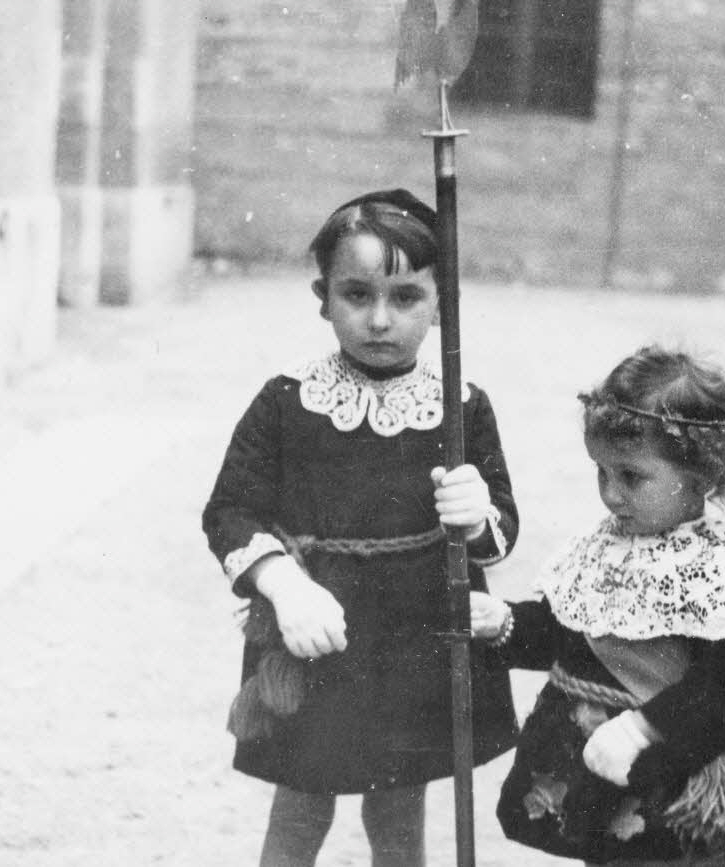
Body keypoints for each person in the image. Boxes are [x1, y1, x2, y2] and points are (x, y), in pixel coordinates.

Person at [202, 189, 520, 867]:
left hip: (417, 635)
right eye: (356, 294)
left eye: (406, 297)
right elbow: (230, 510)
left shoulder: (461, 407)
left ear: (443, 305)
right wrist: (285, 587)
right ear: (323, 297)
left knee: (400, 806)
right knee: (300, 802)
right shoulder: (288, 400)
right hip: (318, 629)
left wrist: (475, 513)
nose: (379, 319)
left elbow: (501, 529)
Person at [470, 345, 725, 866]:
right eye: (602, 472)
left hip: (670, 771)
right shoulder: (601, 547)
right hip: (591, 768)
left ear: (702, 474)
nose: (611, 495)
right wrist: (506, 623)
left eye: (632, 477)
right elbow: (565, 634)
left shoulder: (721, 568)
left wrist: (644, 730)